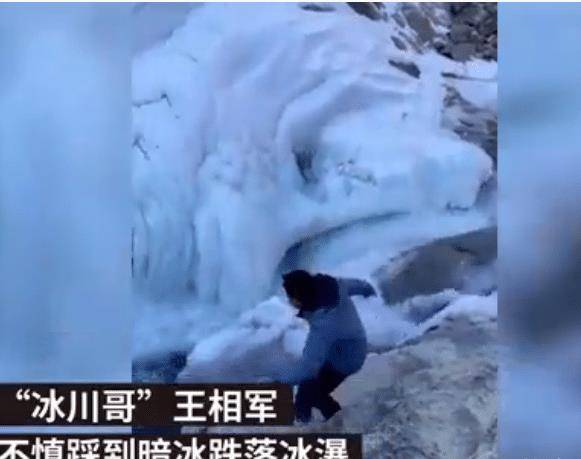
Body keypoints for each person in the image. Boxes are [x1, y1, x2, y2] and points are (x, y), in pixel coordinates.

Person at [278, 269, 376, 423]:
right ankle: (319, 419)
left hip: (346, 361)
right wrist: (368, 290)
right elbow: (357, 285)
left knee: (311, 395)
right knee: (306, 392)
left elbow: (308, 367)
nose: (289, 301)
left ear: (298, 299)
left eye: (289, 297)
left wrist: (279, 382)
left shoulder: (324, 324)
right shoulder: (333, 285)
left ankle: (338, 422)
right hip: (351, 344)